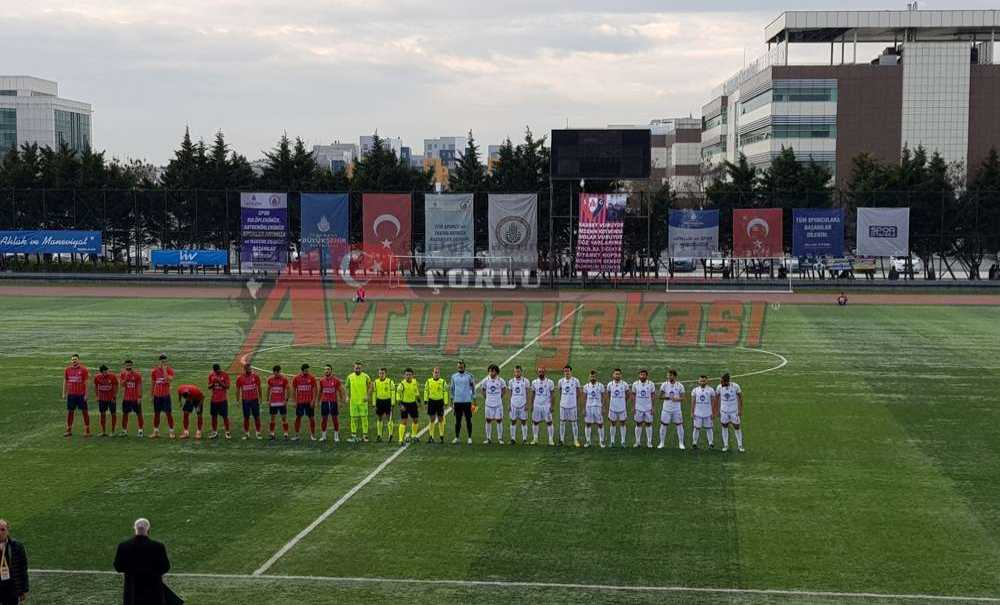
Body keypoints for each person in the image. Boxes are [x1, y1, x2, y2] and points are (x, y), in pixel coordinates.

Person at [113, 518, 173, 605]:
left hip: (132, 590)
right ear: (148, 528)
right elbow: (165, 567)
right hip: (154, 589)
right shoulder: (158, 546)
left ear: (134, 528)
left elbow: (118, 567)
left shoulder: (124, 546)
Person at [0, 519, 29, 605]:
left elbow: (23, 569)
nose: (0, 532)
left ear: (8, 531)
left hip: (11, 589)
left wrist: (24, 589)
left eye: (3, 529)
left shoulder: (17, 547)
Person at [63, 353, 91, 437]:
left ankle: (87, 430)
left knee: (84, 412)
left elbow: (87, 382)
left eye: (75, 359)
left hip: (81, 395)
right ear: (71, 361)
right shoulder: (67, 369)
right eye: (72, 359)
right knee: (70, 412)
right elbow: (65, 381)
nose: (74, 361)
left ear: (78, 360)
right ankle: (69, 430)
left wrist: (86, 394)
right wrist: (64, 393)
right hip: (71, 395)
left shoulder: (84, 370)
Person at [717, 372, 745, 453]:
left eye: (722, 381)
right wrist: (717, 410)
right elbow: (717, 399)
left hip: (734, 411)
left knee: (737, 426)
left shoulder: (736, 386)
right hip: (724, 411)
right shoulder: (719, 387)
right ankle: (725, 445)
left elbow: (740, 398)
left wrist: (740, 409)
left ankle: (740, 445)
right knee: (724, 426)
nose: (720, 383)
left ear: (727, 381)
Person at [449, 361, 476, 445]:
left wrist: (474, 399)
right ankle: (457, 437)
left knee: (468, 420)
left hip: (467, 402)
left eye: (461, 366)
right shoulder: (454, 376)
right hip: (457, 402)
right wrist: (451, 400)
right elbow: (452, 388)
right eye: (459, 367)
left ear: (464, 367)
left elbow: (473, 388)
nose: (460, 368)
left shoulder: (469, 376)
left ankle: (469, 438)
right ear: (457, 367)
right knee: (458, 421)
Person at [658, 368, 686, 450]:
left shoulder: (680, 386)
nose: (669, 377)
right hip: (666, 409)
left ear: (675, 376)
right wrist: (666, 397)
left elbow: (683, 398)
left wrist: (677, 399)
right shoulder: (664, 385)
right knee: (663, 425)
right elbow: (660, 396)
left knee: (679, 425)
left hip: (676, 409)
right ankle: (662, 443)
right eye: (668, 375)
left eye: (670, 375)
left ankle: (681, 443)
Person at [150, 355, 176, 439]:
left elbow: (168, 380)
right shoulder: (154, 371)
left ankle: (171, 431)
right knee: (156, 414)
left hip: (165, 396)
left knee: (168, 414)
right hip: (157, 396)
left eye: (165, 361)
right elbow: (153, 383)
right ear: (159, 362)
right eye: (162, 361)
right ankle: (156, 431)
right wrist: (151, 395)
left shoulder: (170, 370)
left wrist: (165, 370)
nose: (164, 363)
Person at [345, 362, 372, 442]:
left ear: (361, 368)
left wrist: (368, 395)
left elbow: (371, 386)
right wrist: (347, 396)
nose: (358, 369)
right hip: (353, 402)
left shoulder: (366, 376)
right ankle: (354, 436)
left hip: (363, 402)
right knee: (353, 419)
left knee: (364, 419)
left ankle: (365, 436)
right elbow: (347, 387)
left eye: (359, 368)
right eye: (356, 368)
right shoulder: (350, 377)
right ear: (353, 368)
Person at [291, 364, 319, 441]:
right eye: (306, 370)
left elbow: (315, 389)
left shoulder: (312, 378)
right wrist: (294, 401)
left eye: (308, 370)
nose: (307, 372)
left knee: (311, 418)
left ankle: (313, 435)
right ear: (302, 370)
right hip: (300, 402)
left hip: (309, 402)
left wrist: (313, 400)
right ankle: (296, 435)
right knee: (298, 418)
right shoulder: (296, 378)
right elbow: (293, 390)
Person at [236, 363, 263, 440]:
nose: (250, 370)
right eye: (248, 369)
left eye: (250, 369)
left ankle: (258, 433)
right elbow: (238, 390)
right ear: (245, 369)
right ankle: (247, 433)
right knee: (246, 417)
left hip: (254, 399)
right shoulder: (240, 378)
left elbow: (259, 387)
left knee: (256, 417)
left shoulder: (256, 377)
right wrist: (238, 400)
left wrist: (260, 398)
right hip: (245, 400)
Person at [481, 364, 506, 445]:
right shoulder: (486, 380)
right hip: (488, 404)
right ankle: (488, 438)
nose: (491, 373)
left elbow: (504, 389)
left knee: (499, 420)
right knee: (488, 420)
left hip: (498, 404)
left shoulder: (501, 380)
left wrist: (499, 397)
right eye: (490, 371)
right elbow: (483, 389)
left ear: (496, 372)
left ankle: (500, 439)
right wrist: (486, 397)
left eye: (493, 371)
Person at [319, 365, 345, 443]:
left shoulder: (336, 380)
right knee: (324, 419)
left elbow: (340, 391)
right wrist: (317, 401)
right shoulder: (322, 380)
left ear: (331, 371)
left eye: (328, 369)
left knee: (335, 419)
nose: (326, 371)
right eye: (325, 369)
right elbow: (320, 391)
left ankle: (336, 436)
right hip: (324, 402)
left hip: (333, 402)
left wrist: (341, 400)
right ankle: (323, 436)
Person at [529, 367, 555, 445]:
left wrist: (552, 405)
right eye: (539, 371)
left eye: (542, 371)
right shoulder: (534, 382)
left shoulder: (550, 382)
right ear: (537, 372)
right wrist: (531, 405)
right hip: (536, 405)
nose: (541, 373)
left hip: (546, 405)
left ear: (545, 372)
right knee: (535, 422)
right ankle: (535, 439)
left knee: (549, 422)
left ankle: (550, 440)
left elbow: (553, 395)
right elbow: (532, 394)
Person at [395, 368, 421, 444]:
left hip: (413, 403)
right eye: (406, 375)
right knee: (404, 421)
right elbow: (398, 395)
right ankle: (400, 439)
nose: (408, 376)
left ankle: (413, 436)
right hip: (404, 404)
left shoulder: (414, 382)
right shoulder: (401, 385)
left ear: (413, 375)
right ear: (404, 375)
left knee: (415, 420)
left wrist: (419, 401)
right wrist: (400, 405)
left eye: (410, 375)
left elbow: (416, 392)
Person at [119, 360, 144, 438]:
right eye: (127, 365)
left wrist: (139, 397)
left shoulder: (137, 375)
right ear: (125, 366)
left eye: (130, 365)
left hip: (135, 398)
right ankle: (124, 431)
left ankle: (140, 431)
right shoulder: (123, 374)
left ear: (132, 365)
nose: (128, 367)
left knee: (139, 414)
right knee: (125, 414)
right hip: (126, 398)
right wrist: (126, 377)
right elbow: (122, 385)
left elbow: (139, 386)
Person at [557, 365, 581, 447]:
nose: (567, 372)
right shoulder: (560, 381)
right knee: (562, 423)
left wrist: (573, 400)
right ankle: (562, 440)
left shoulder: (576, 381)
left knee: (574, 423)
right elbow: (560, 391)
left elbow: (578, 392)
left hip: (572, 406)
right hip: (563, 406)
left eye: (568, 371)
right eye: (565, 371)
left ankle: (575, 440)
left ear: (571, 371)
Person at [205, 364, 231, 440]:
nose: (217, 372)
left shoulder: (225, 375)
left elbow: (227, 386)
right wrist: (213, 383)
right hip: (214, 400)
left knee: (225, 416)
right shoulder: (211, 375)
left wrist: (219, 381)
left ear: (220, 369)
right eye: (216, 371)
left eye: (218, 371)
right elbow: (209, 387)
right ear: (214, 370)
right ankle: (214, 432)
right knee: (213, 416)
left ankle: (227, 431)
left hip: (223, 399)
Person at [631, 369, 656, 448]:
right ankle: (637, 442)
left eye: (644, 375)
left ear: (646, 376)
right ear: (639, 375)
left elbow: (653, 396)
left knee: (648, 424)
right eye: (641, 375)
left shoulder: (651, 384)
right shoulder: (635, 384)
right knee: (638, 424)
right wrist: (633, 407)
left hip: (648, 408)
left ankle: (649, 442)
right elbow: (633, 396)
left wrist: (653, 407)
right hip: (638, 408)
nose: (642, 376)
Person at [690, 375, 716, 449]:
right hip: (697, 413)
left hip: (708, 413)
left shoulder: (711, 390)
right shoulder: (695, 390)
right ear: (698, 381)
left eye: (704, 381)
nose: (702, 382)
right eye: (701, 381)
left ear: (707, 381)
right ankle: (694, 443)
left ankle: (711, 443)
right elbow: (693, 402)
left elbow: (714, 402)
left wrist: (713, 412)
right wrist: (692, 412)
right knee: (696, 428)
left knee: (709, 428)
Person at [423, 367, 448, 444]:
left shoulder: (443, 382)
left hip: (440, 402)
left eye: (438, 372)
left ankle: (441, 436)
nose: (436, 374)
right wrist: (426, 402)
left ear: (439, 373)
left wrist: (445, 402)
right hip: (431, 402)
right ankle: (431, 436)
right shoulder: (428, 381)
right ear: (432, 373)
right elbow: (426, 392)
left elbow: (445, 392)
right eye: (435, 372)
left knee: (440, 419)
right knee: (432, 419)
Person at [605, 369, 629, 447]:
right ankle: (612, 441)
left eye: (619, 374)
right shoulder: (610, 384)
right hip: (612, 408)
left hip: (622, 408)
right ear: (613, 375)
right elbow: (608, 395)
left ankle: (623, 441)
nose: (617, 375)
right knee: (613, 423)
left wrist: (623, 402)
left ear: (621, 375)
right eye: (616, 374)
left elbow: (627, 395)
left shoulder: (625, 384)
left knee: (623, 423)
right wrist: (611, 403)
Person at [94, 364, 120, 437]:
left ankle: (113, 431)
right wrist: (97, 396)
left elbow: (116, 386)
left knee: (113, 414)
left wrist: (114, 396)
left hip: (111, 399)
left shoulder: (112, 376)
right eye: (104, 372)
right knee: (102, 414)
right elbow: (96, 386)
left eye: (106, 371)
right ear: (101, 372)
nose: (106, 373)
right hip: (102, 399)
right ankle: (103, 431)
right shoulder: (97, 377)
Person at [506, 366, 530, 445]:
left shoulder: (525, 381)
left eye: (518, 371)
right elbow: (509, 393)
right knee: (513, 421)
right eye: (516, 372)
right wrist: (509, 404)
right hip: (513, 404)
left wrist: (527, 404)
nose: (517, 373)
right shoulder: (511, 381)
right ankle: (513, 439)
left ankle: (525, 439)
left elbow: (527, 393)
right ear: (514, 372)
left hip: (523, 404)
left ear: (521, 372)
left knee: (523, 421)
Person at [582, 369, 606, 448]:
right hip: (588, 407)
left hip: (598, 407)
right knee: (588, 424)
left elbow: (603, 397)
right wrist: (583, 408)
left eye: (594, 376)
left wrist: (603, 407)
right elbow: (584, 398)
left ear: (596, 377)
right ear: (589, 377)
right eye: (591, 376)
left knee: (600, 424)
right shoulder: (586, 386)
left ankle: (601, 441)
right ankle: (588, 441)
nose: (592, 378)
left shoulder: (601, 386)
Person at [267, 365, 290, 440]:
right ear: (274, 372)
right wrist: (268, 399)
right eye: (277, 372)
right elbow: (268, 389)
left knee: (284, 418)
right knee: (272, 418)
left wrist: (286, 400)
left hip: (281, 402)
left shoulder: (284, 379)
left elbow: (288, 389)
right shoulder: (270, 379)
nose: (279, 373)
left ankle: (286, 433)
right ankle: (272, 433)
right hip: (273, 402)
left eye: (279, 372)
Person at [372, 368, 395, 443]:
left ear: (385, 374)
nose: (381, 375)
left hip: (387, 401)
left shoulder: (390, 382)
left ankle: (390, 434)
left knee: (389, 418)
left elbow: (393, 393)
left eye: (383, 373)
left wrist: (393, 403)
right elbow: (374, 393)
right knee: (379, 418)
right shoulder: (375, 382)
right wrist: (374, 404)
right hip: (379, 402)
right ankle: (379, 435)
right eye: (380, 373)